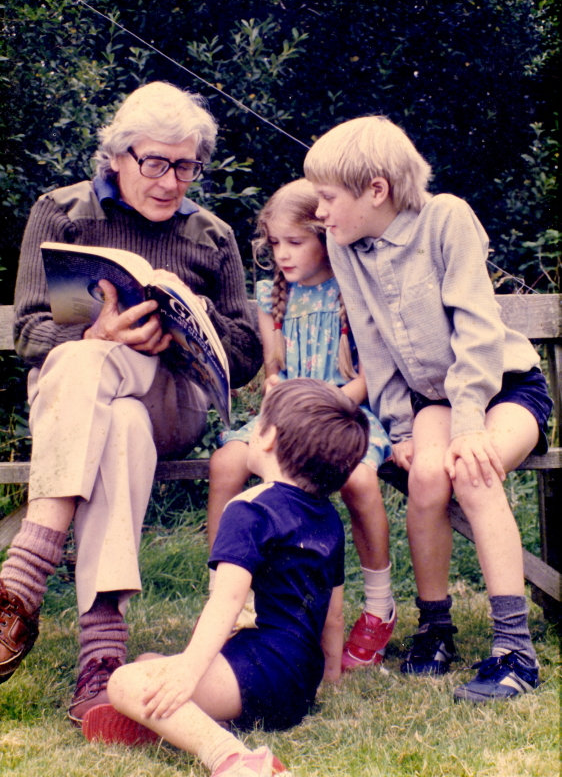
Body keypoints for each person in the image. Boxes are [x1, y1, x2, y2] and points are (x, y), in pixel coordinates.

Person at [0, 82, 262, 724]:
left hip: (169, 403)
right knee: (104, 399)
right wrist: (96, 333)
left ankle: (22, 579)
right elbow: (30, 330)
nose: (172, 182)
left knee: (108, 388)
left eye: (186, 165)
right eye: (156, 163)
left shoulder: (212, 235)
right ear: (117, 155)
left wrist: (194, 321)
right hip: (83, 407)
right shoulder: (62, 212)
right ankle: (101, 663)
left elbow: (248, 353)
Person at [303, 116, 554, 703]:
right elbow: (371, 340)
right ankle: (434, 628)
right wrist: (397, 426)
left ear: (376, 189)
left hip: (505, 386)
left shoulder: (446, 218)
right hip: (433, 399)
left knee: (473, 469)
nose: (320, 212)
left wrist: (469, 425)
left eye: (328, 197)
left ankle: (514, 650)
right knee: (425, 476)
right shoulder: (346, 248)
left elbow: (474, 328)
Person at [78, 378, 370, 776]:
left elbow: (226, 602)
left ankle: (229, 755)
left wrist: (189, 671)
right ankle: (180, 724)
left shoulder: (249, 509)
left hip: (258, 671)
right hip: (299, 684)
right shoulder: (329, 518)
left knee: (127, 680)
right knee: (152, 662)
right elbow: (333, 616)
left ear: (268, 438)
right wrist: (329, 680)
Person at [207, 179, 396, 672]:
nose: (282, 255)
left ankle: (378, 605)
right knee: (227, 460)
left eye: (295, 242)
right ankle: (229, 596)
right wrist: (274, 383)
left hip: (344, 410)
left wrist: (330, 402)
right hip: (287, 414)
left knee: (358, 477)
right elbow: (275, 364)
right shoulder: (273, 292)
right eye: (274, 243)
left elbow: (373, 372)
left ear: (324, 238)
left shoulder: (351, 287)